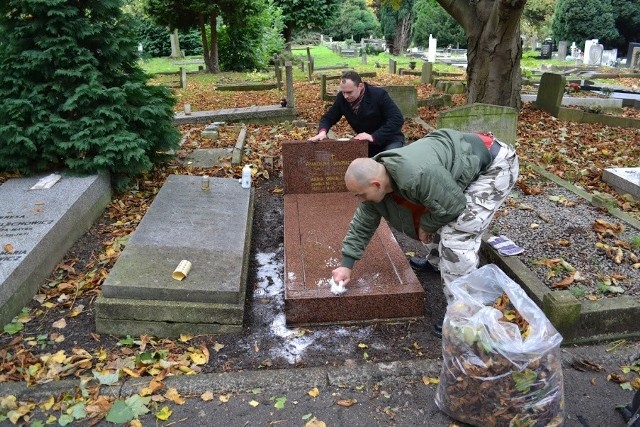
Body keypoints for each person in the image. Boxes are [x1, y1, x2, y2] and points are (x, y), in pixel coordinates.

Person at [331, 128, 519, 333]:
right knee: (429, 215)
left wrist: (426, 226)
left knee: (457, 236)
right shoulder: (378, 182)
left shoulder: (417, 175)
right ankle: (437, 261)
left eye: (361, 195)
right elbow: (362, 224)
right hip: (457, 168)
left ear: (376, 184)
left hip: (494, 166)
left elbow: (452, 206)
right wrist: (346, 264)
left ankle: (464, 317)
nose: (360, 200)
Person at [309, 70, 405, 157]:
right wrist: (322, 132)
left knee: (389, 163)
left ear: (360, 86)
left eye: (349, 92)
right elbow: (329, 117)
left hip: (389, 140)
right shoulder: (342, 98)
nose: (346, 96)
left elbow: (397, 119)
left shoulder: (378, 95)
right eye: (343, 92)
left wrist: (373, 137)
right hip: (366, 144)